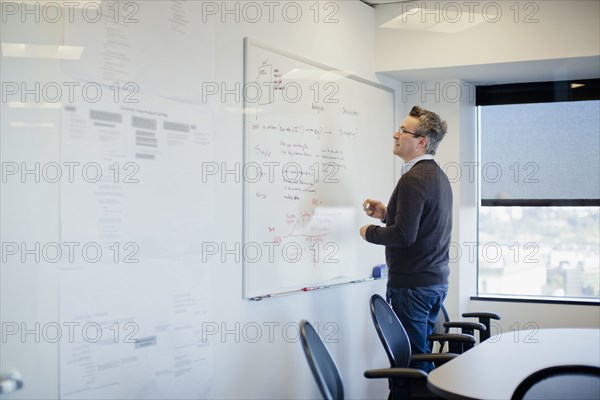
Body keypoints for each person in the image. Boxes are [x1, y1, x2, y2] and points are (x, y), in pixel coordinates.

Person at [359, 105, 452, 373]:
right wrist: (386, 214)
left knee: (410, 368)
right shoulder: (437, 176)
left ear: (421, 142)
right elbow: (422, 227)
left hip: (413, 287)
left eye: (402, 130)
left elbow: (403, 236)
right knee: (419, 358)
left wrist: (368, 232)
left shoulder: (413, 179)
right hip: (431, 283)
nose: (395, 134)